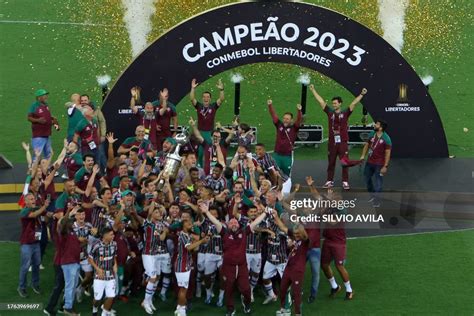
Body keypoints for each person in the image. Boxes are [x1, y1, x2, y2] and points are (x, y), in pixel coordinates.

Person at [202, 201, 268, 316]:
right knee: (229, 289)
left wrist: (265, 213)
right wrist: (207, 212)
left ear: (239, 225)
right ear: (227, 225)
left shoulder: (244, 231)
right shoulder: (224, 233)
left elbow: (256, 222)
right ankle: (230, 309)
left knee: (246, 289)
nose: (233, 223)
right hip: (228, 267)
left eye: (235, 222)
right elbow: (215, 221)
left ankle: (247, 304)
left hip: (242, 266)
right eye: (231, 222)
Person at [309, 84, 367, 190]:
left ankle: (345, 182)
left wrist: (361, 94)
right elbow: (321, 101)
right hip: (332, 142)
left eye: (335, 103)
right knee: (331, 162)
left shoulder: (345, 113)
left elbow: (354, 103)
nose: (334, 105)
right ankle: (329, 181)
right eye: (333, 103)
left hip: (343, 142)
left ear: (340, 103)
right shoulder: (330, 112)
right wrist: (313, 90)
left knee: (344, 162)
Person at [272, 209, 310, 316]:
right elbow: (283, 227)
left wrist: (300, 224)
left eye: (298, 234)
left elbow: (305, 235)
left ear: (301, 233)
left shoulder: (305, 241)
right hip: (289, 268)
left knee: (296, 293)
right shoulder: (294, 236)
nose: (296, 235)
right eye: (295, 234)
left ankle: (298, 313)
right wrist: (276, 216)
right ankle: (284, 309)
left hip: (297, 270)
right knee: (283, 289)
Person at [320, 189, 354, 301]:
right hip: (328, 240)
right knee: (324, 264)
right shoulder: (331, 206)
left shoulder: (343, 210)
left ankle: (349, 290)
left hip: (338, 242)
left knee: (339, 266)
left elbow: (332, 222)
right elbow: (321, 212)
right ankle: (335, 287)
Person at [174, 218, 210, 316]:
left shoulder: (188, 235)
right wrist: (201, 241)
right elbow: (189, 247)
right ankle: (181, 311)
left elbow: (192, 249)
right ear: (182, 225)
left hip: (186, 264)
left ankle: (179, 307)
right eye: (187, 222)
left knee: (184, 288)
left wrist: (201, 241)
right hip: (182, 265)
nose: (190, 223)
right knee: (183, 288)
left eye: (190, 221)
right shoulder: (183, 234)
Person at [18, 193, 50, 298]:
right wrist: (44, 207)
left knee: (36, 264)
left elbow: (46, 216)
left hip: (36, 242)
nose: (33, 200)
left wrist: (50, 215)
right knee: (25, 266)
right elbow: (34, 215)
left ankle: (35, 284)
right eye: (31, 199)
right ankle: (21, 287)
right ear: (26, 202)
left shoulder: (37, 209)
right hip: (27, 243)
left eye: (34, 199)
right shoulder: (24, 211)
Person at [266, 100, 302, 194]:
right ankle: (275, 189)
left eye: (287, 118)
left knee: (286, 174)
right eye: (284, 118)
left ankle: (285, 192)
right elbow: (273, 115)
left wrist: (299, 111)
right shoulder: (279, 125)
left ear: (291, 120)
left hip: (287, 156)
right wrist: (270, 105)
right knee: (274, 172)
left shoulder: (294, 128)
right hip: (277, 154)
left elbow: (299, 120)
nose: (285, 120)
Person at [360, 119, 391, 207]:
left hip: (379, 164)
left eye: (377, 124)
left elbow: (388, 153)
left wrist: (385, 166)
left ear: (380, 128)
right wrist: (363, 155)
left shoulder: (386, 139)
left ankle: (377, 200)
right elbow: (367, 145)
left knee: (378, 183)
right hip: (369, 162)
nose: (374, 125)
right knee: (367, 178)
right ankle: (373, 196)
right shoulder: (371, 134)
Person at [88, 227, 118, 316]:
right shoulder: (96, 245)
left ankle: (104, 313)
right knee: (98, 298)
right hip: (99, 275)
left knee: (111, 296)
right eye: (111, 234)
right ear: (105, 236)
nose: (113, 236)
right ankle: (95, 308)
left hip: (110, 275)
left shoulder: (114, 244)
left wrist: (115, 264)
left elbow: (114, 256)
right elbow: (90, 259)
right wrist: (97, 269)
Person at [189, 78, 225, 146]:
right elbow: (192, 99)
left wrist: (221, 90)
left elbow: (221, 99)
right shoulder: (199, 106)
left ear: (210, 99)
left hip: (210, 132)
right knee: (199, 150)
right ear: (202, 98)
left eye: (208, 97)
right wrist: (192, 88)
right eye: (204, 97)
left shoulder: (213, 106)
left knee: (208, 149)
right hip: (200, 132)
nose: (206, 98)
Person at [27, 89, 59, 160]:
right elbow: (29, 117)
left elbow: (46, 116)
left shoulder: (46, 105)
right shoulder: (34, 106)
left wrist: (52, 119)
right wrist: (38, 120)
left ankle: (46, 170)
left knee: (48, 155)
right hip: (38, 135)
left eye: (46, 95)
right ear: (39, 97)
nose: (46, 97)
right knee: (37, 155)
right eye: (44, 95)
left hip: (47, 134)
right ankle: (34, 170)